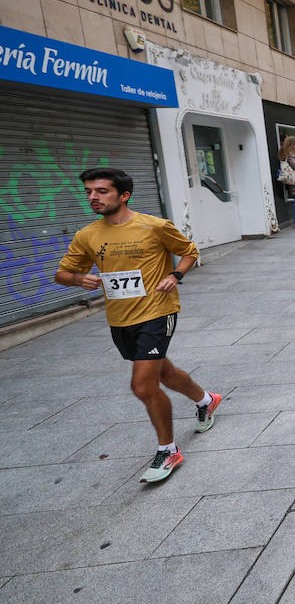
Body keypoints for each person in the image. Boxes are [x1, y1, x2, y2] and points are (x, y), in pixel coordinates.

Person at [54, 168, 221, 484]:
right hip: (120, 318)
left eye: (101, 191)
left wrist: (175, 275)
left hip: (157, 311)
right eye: (89, 191)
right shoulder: (87, 235)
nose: (93, 197)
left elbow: (188, 252)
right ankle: (206, 401)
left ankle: (168, 449)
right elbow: (61, 274)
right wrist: (78, 278)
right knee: (164, 373)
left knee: (143, 385)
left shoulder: (154, 226)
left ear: (123, 195)